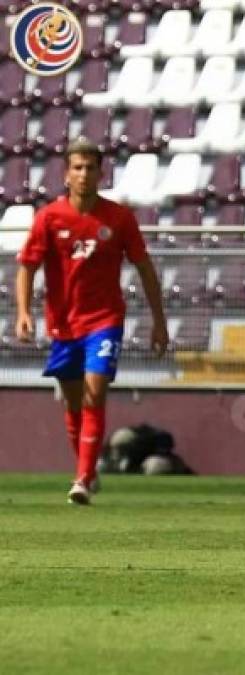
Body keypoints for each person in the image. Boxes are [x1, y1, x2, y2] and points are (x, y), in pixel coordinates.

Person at [15, 138, 169, 505]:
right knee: (72, 404)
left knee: (94, 391)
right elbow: (27, 266)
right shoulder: (49, 218)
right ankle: (88, 467)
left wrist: (159, 321)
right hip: (64, 326)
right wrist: (23, 312)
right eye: (78, 168)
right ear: (67, 175)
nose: (84, 174)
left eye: (91, 167)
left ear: (102, 173)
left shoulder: (118, 218)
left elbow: (145, 269)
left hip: (105, 320)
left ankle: (82, 478)